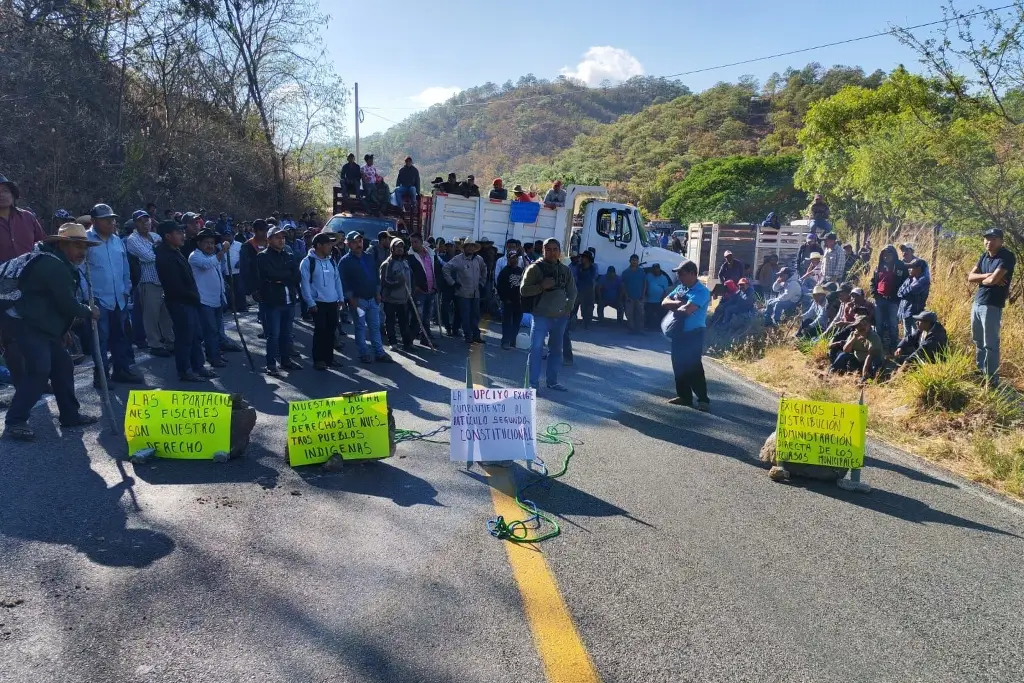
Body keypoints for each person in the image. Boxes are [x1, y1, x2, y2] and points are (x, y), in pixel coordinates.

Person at [2, 223, 102, 440]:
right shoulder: (53, 265)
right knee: (39, 370)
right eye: (77, 246)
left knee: (63, 365)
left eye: (85, 247)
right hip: (27, 324)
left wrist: (62, 329)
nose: (82, 252)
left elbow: (53, 303)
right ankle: (15, 421)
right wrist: (89, 311)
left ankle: (70, 415)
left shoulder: (59, 263)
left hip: (42, 325)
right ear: (62, 244)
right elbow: (67, 303)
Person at [80, 204, 143, 388]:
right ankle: (101, 375)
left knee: (120, 336)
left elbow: (125, 267)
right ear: (94, 221)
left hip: (119, 297)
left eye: (112, 219)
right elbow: (81, 270)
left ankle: (121, 370)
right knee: (100, 339)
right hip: (98, 299)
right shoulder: (86, 240)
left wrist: (126, 287)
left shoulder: (117, 241)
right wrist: (88, 297)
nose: (111, 223)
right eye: (106, 220)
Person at [154, 221, 217, 382]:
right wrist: (193, 296)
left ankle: (198, 366)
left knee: (195, 336)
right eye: (178, 232)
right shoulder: (165, 256)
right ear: (168, 236)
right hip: (180, 302)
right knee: (185, 337)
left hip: (189, 301)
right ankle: (185, 370)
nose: (182, 235)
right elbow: (175, 286)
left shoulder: (176, 251)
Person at [520, 238, 577, 392]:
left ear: (559, 251)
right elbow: (523, 290)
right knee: (536, 349)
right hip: (540, 316)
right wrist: (541, 286)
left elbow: (572, 291)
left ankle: (552, 381)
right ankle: (532, 385)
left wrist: (568, 308)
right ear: (543, 251)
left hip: (560, 317)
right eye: (548, 249)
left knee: (556, 350)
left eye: (555, 249)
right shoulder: (534, 269)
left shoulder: (565, 270)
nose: (552, 253)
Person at [967, 227, 1016, 385]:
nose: (989, 242)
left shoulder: (1006, 256)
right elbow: (970, 277)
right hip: (978, 302)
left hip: (992, 304)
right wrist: (987, 275)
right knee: (978, 340)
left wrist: (986, 278)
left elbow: (993, 281)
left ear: (1001, 241)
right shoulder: (984, 256)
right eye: (987, 238)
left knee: (991, 343)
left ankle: (992, 379)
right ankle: (981, 371)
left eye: (994, 239)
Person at [125, 210, 174, 357]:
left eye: (146, 220)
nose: (144, 223)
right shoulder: (132, 239)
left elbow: (170, 250)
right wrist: (161, 252)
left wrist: (161, 252)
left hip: (164, 280)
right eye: (140, 221)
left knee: (166, 314)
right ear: (135, 223)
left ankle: (170, 341)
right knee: (151, 315)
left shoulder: (155, 236)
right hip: (148, 281)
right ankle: (155, 344)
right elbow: (148, 257)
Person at [663, 260, 711, 411]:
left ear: (692, 273)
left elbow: (687, 311)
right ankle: (684, 396)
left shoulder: (702, 291)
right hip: (679, 333)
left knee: (693, 366)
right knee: (678, 365)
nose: (679, 277)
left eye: (681, 274)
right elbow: (664, 301)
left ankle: (703, 400)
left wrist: (676, 304)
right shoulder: (681, 287)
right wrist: (679, 303)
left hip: (693, 334)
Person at [256, 225, 302, 375]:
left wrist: (281, 277)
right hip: (273, 302)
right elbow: (271, 274)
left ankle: (286, 361)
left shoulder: (289, 255)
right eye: (277, 237)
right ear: (269, 239)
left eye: (283, 237)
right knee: (273, 335)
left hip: (289, 300)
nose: (281, 240)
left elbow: (297, 276)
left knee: (286, 334)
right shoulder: (263, 256)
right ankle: (271, 364)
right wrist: (285, 276)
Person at [339, 231, 391, 363]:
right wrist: (350, 299)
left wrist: (377, 292)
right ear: (348, 244)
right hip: (358, 300)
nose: (358, 244)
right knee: (360, 327)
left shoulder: (368, 257)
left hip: (372, 298)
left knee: (375, 326)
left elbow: (376, 276)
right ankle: (364, 353)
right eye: (354, 242)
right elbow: (343, 282)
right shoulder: (345, 261)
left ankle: (379, 352)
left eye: (360, 241)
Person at [299, 232, 344, 370]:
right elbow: (304, 284)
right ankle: (319, 360)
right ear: (319, 245)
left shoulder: (331, 261)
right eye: (328, 244)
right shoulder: (308, 262)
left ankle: (329, 358)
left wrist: (341, 298)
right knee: (320, 331)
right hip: (318, 303)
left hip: (332, 302)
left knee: (331, 330)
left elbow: (337, 280)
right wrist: (310, 302)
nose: (331, 246)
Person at [188, 229, 230, 368]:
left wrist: (223, 295)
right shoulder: (195, 256)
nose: (210, 245)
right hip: (204, 300)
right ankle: (212, 357)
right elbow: (207, 264)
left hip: (216, 299)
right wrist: (222, 251)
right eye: (206, 242)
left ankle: (216, 353)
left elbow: (219, 276)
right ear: (199, 243)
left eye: (212, 243)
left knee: (216, 330)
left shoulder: (213, 256)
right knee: (210, 330)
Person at [442, 240, 488, 344]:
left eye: (472, 246)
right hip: (463, 293)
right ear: (464, 248)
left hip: (475, 293)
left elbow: (484, 269)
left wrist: (482, 282)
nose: (470, 248)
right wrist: (452, 283)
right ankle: (468, 336)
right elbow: (445, 268)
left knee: (475, 315)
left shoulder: (479, 259)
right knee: (465, 316)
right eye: (468, 246)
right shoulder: (458, 259)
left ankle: (476, 336)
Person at [377, 237, 415, 352]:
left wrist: (411, 291)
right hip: (390, 299)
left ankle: (407, 344)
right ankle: (393, 343)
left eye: (401, 247)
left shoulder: (405, 263)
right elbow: (384, 282)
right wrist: (398, 283)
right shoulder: (387, 264)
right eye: (397, 247)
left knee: (404, 323)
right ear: (392, 249)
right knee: (390, 322)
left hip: (404, 299)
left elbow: (410, 279)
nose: (400, 249)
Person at [870, 245, 908, 352]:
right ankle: (879, 345)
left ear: (894, 255)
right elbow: (872, 281)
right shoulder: (879, 266)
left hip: (893, 300)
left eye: (889, 254)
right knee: (879, 324)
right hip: (879, 299)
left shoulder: (900, 266)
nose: (886, 257)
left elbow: (906, 282)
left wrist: (899, 297)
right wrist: (874, 294)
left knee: (893, 324)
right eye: (884, 255)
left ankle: (893, 345)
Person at [0, 173, 46, 262]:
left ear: (12, 194)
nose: (2, 195)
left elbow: (43, 244)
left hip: (31, 269)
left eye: (5, 190)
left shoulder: (28, 217)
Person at [830, 315, 884, 381]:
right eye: (859, 325)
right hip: (858, 360)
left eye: (864, 325)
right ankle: (832, 371)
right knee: (843, 355)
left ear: (869, 325)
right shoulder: (853, 334)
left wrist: (865, 369)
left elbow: (871, 355)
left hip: (870, 361)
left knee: (876, 361)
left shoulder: (873, 337)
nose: (861, 327)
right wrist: (853, 339)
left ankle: (868, 378)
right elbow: (846, 350)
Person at [407, 233, 436, 345]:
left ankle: (425, 339)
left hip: (431, 290)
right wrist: (415, 287)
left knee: (427, 317)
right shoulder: (410, 257)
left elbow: (436, 269)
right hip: (419, 292)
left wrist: (436, 285)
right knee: (417, 317)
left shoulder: (430, 253)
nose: (413, 244)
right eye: (411, 242)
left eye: (415, 242)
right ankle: (409, 341)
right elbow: (409, 274)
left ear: (421, 241)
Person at [497, 251, 524, 349]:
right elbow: (499, 287)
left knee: (517, 323)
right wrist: (504, 299)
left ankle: (513, 340)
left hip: (519, 302)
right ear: (508, 259)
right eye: (512, 257)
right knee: (507, 323)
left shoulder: (521, 271)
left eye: (516, 257)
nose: (514, 259)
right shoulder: (504, 271)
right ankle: (505, 341)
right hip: (508, 302)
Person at [896, 258, 930, 339]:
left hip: (915, 312)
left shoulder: (924, 281)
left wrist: (905, 292)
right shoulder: (910, 279)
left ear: (919, 269)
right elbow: (899, 292)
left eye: (912, 268)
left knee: (916, 335)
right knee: (907, 335)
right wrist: (905, 292)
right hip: (905, 310)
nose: (910, 270)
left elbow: (912, 291)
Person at [621, 254, 646, 333]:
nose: (634, 262)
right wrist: (626, 296)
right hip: (629, 298)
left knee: (640, 314)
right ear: (630, 261)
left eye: (636, 260)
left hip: (639, 297)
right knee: (629, 314)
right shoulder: (625, 272)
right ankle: (631, 329)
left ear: (638, 261)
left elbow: (644, 283)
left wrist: (643, 295)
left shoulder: (641, 271)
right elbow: (623, 285)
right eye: (633, 260)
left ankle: (639, 330)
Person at [644, 263, 672, 331]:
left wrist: (663, 299)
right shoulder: (648, 276)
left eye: (657, 269)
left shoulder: (664, 278)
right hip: (649, 300)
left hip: (659, 300)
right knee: (649, 314)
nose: (656, 270)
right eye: (654, 269)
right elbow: (645, 284)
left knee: (660, 315)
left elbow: (665, 290)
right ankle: (648, 327)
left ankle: (660, 327)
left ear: (659, 269)